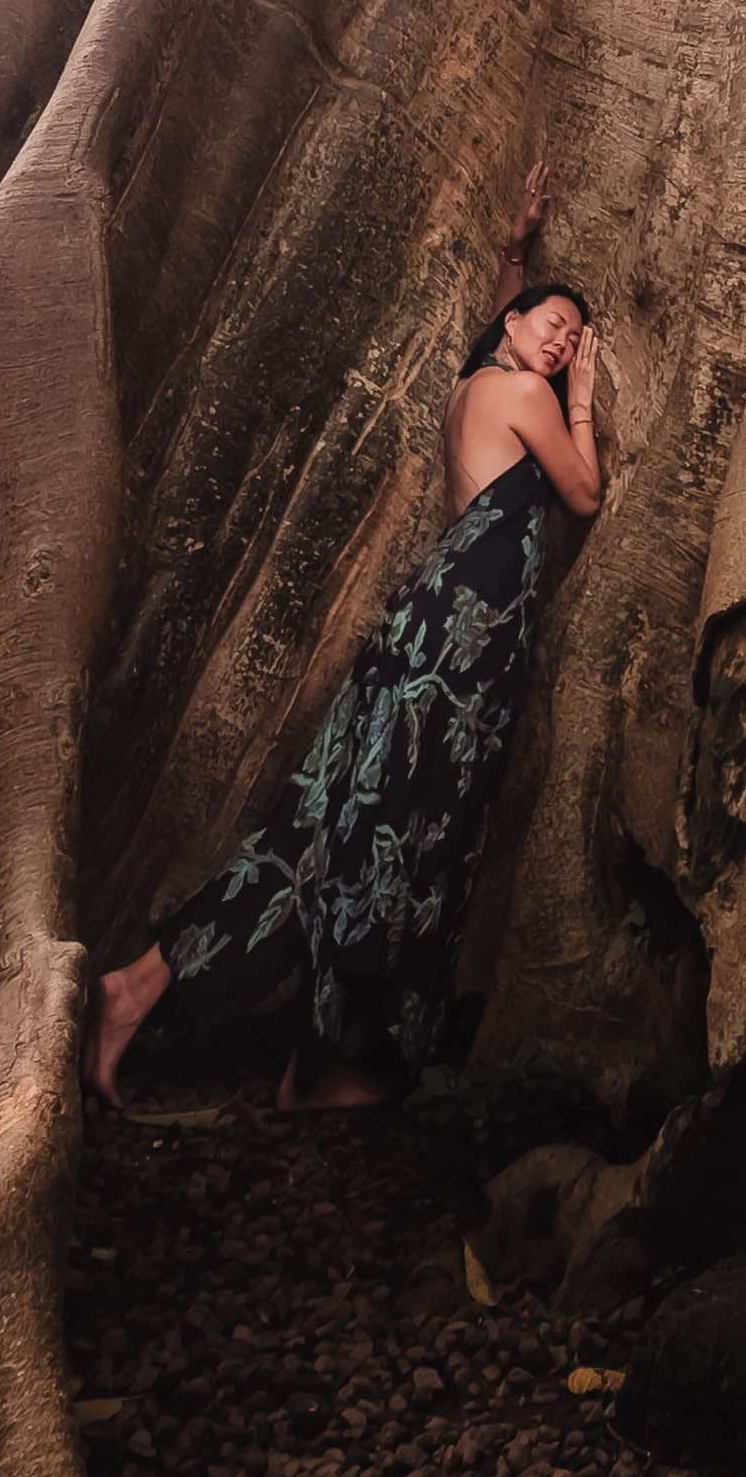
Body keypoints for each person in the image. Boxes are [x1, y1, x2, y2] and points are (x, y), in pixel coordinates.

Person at [84, 166, 601, 1111]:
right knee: (401, 840)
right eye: (549, 325)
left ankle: (144, 987)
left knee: (329, 824)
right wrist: (583, 396)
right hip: (456, 660)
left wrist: (516, 251)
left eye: (573, 336)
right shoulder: (530, 398)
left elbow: (505, 313)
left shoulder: (474, 382)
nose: (562, 339)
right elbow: (584, 495)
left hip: (426, 637)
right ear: (516, 335)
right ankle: (333, 1064)